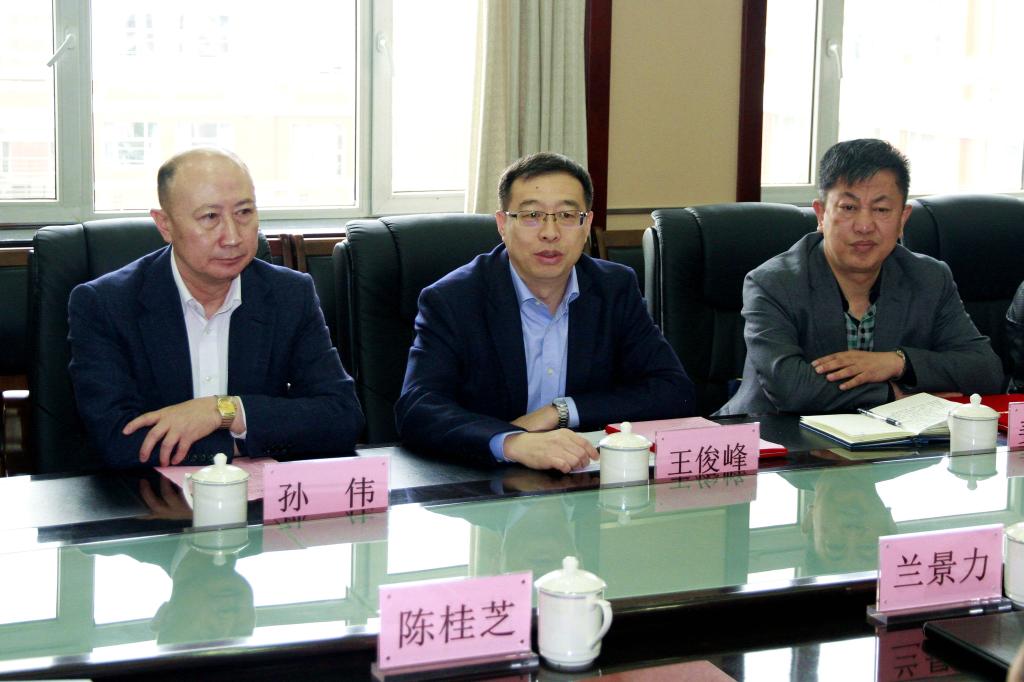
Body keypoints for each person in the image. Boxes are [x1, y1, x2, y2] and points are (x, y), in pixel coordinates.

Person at [396, 152, 694, 472]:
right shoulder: (454, 299)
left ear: (586, 225)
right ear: (502, 224)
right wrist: (511, 441)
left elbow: (674, 391)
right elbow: (419, 408)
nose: (550, 233)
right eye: (532, 215)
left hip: (584, 475)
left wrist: (561, 411)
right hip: (487, 478)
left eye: (567, 215)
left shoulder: (613, 288)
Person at [68, 148, 364, 468]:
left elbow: (342, 417)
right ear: (165, 225)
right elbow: (117, 440)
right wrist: (242, 441)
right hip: (148, 495)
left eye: (244, 212)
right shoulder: (106, 305)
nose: (233, 237)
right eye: (210, 217)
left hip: (256, 496)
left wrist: (224, 410)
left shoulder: (290, 295)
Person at [717, 138, 1002, 416]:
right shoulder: (774, 283)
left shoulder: (929, 278)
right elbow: (790, 389)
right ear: (821, 214)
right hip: (771, 438)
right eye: (849, 207)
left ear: (902, 219)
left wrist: (898, 363)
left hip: (887, 442)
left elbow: (985, 370)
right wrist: (891, 394)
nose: (864, 226)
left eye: (881, 209)